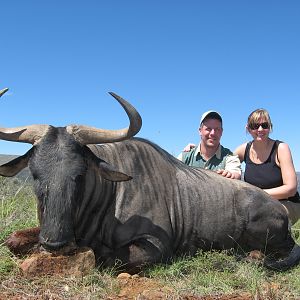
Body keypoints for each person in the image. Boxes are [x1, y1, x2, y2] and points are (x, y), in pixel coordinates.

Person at [234, 108, 300, 224]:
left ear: (270, 127)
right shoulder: (243, 150)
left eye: (264, 125)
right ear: (248, 129)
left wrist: (258, 194)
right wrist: (192, 151)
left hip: (286, 204)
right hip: (256, 205)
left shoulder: (281, 148)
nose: (260, 129)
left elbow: (291, 189)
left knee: (260, 219)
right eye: (255, 126)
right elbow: (224, 163)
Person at [177, 110, 241, 179]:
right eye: (208, 129)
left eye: (217, 129)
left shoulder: (229, 157)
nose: (213, 133)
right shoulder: (185, 156)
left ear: (221, 132)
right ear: (200, 131)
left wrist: (231, 175)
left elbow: (235, 173)